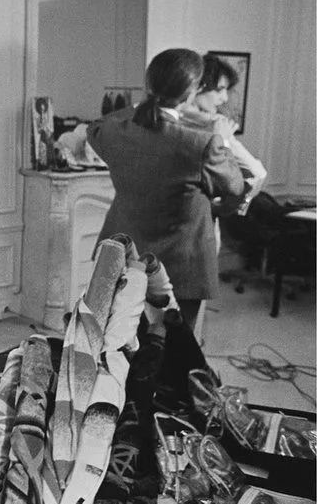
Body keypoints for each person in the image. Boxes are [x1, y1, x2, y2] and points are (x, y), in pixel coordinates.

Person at [87, 48, 246, 327]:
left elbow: (98, 124)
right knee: (176, 344)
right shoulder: (203, 144)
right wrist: (224, 141)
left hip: (123, 256)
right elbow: (235, 186)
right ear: (191, 92)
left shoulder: (111, 133)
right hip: (182, 266)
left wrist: (143, 103)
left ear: (149, 83)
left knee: (121, 339)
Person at [180, 54, 267, 221]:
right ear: (199, 87)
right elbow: (257, 173)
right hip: (198, 219)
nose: (224, 98)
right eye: (219, 89)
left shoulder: (165, 119)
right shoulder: (214, 125)